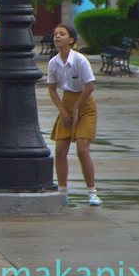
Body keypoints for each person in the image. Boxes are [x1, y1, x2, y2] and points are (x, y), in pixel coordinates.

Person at [48, 24, 99, 206]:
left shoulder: (80, 60)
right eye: (55, 34)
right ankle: (62, 192)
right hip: (66, 105)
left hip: (85, 106)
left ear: (71, 40)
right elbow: (52, 89)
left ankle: (92, 193)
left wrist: (77, 107)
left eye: (62, 34)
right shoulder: (53, 63)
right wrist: (63, 112)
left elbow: (89, 86)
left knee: (82, 150)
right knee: (60, 150)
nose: (57, 37)